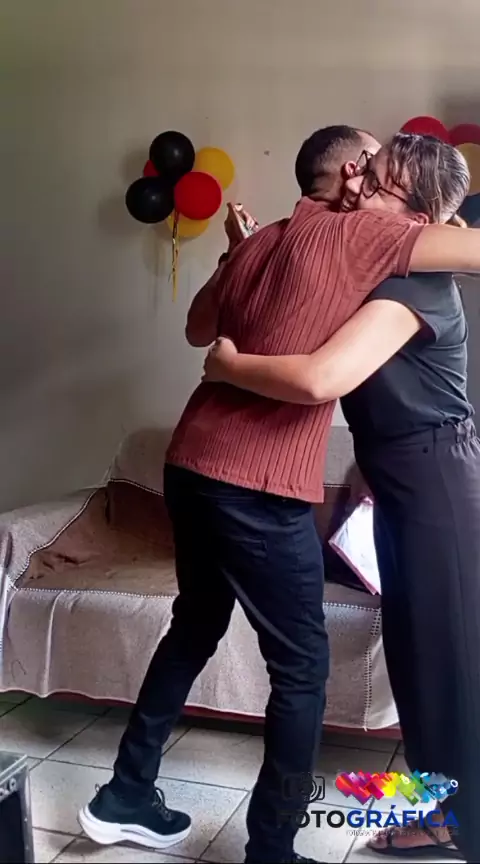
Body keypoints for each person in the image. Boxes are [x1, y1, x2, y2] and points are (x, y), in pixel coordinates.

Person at [79, 127, 478, 864]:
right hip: (284, 481)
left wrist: (231, 344)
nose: (368, 174)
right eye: (368, 164)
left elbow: (213, 332)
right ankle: (279, 847)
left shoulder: (277, 240)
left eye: (382, 171)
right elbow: (314, 370)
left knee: (436, 654)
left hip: (207, 464)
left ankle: (129, 792)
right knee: (340, 664)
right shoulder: (350, 242)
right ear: (351, 172)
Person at [202, 139, 480, 861]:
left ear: (417, 214)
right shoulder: (375, 267)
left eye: (378, 185)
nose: (359, 190)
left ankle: (460, 825)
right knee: (417, 658)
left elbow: (320, 379)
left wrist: (229, 367)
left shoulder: (411, 286)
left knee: (447, 664)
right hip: (402, 476)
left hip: (436, 483)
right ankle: (438, 811)